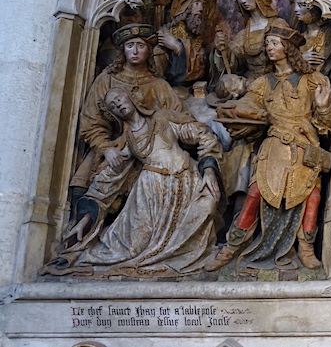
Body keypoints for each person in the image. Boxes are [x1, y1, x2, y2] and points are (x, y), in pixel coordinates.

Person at [206, 21, 331, 272]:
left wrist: (322, 106)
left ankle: (306, 249)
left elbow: (326, 126)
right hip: (274, 145)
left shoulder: (313, 81)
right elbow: (249, 107)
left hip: (305, 145)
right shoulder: (261, 83)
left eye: (274, 44)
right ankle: (230, 248)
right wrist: (234, 107)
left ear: (288, 48)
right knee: (255, 193)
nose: (269, 48)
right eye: (267, 44)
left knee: (313, 196)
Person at [50, 87, 222, 277]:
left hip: (186, 179)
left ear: (131, 97)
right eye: (113, 106)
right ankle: (81, 258)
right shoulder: (126, 141)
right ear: (112, 114)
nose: (119, 104)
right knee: (131, 248)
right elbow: (108, 180)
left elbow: (204, 135)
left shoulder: (163, 118)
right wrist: (87, 217)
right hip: (150, 193)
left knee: (207, 204)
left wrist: (208, 170)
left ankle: (185, 258)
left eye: (120, 98)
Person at [65, 24, 183, 243]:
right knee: (83, 179)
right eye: (130, 46)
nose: (135, 51)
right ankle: (81, 236)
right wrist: (106, 149)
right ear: (123, 51)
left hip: (154, 147)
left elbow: (178, 118)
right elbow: (91, 122)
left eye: (141, 46)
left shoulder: (159, 85)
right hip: (113, 145)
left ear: (149, 51)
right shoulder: (106, 79)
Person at [157, 0, 220, 87]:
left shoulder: (199, 37)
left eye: (203, 5)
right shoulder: (169, 33)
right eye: (196, 4)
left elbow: (203, 68)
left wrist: (178, 47)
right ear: (186, 8)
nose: (200, 9)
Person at [291, 0, 331, 78]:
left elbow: (324, 68)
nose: (295, 9)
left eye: (301, 5)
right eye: (294, 5)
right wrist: (301, 59)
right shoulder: (300, 36)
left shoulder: (328, 33)